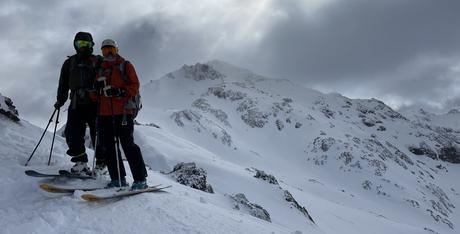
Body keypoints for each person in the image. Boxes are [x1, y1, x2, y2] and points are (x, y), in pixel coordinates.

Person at [94, 38, 148, 190]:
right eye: (105, 50)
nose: (108, 53)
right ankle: (118, 179)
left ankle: (140, 179)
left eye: (111, 49)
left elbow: (135, 86)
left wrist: (120, 91)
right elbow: (95, 95)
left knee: (128, 145)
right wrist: (96, 90)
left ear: (117, 50)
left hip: (123, 112)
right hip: (104, 113)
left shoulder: (125, 65)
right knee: (108, 146)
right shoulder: (100, 69)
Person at [54, 32, 106, 174]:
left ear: (91, 45)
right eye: (80, 44)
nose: (83, 47)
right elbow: (63, 83)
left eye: (86, 44)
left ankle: (102, 163)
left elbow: (108, 76)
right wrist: (60, 99)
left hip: (95, 101)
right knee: (72, 132)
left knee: (99, 133)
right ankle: (80, 161)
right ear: (75, 44)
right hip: (77, 102)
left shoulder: (98, 61)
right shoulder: (69, 63)